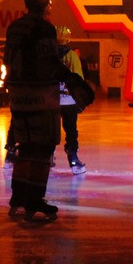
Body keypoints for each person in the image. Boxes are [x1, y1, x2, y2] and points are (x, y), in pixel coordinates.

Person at [4, 0, 86, 222]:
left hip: (17, 95)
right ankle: (34, 200)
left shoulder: (14, 28)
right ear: (42, 4)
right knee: (42, 150)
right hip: (40, 96)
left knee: (25, 147)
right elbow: (49, 62)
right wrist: (73, 83)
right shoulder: (44, 29)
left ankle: (17, 199)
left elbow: (8, 59)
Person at [56, 25, 90, 174]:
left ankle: (48, 158)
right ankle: (74, 161)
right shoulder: (72, 55)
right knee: (71, 132)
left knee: (50, 131)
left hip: (50, 100)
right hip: (68, 101)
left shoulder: (46, 55)